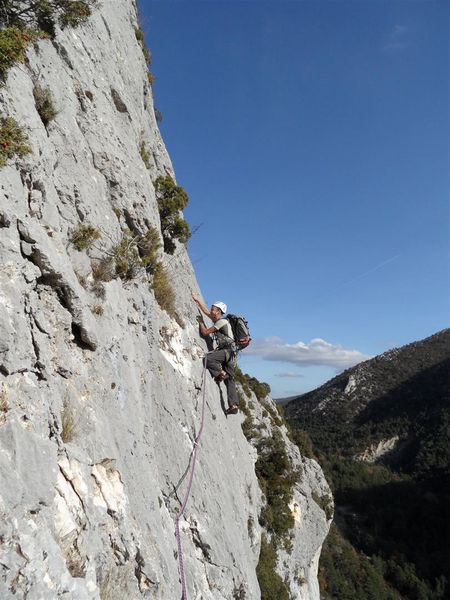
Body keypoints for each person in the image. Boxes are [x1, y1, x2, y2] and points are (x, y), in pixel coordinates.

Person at [192, 294, 239, 415]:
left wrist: (201, 322)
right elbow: (206, 312)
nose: (211, 310)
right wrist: (197, 300)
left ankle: (220, 373)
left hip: (226, 352)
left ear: (218, 312)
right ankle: (233, 405)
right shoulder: (219, 320)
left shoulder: (221, 322)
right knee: (230, 380)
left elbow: (205, 332)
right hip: (232, 354)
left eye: (213, 308)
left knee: (208, 359)